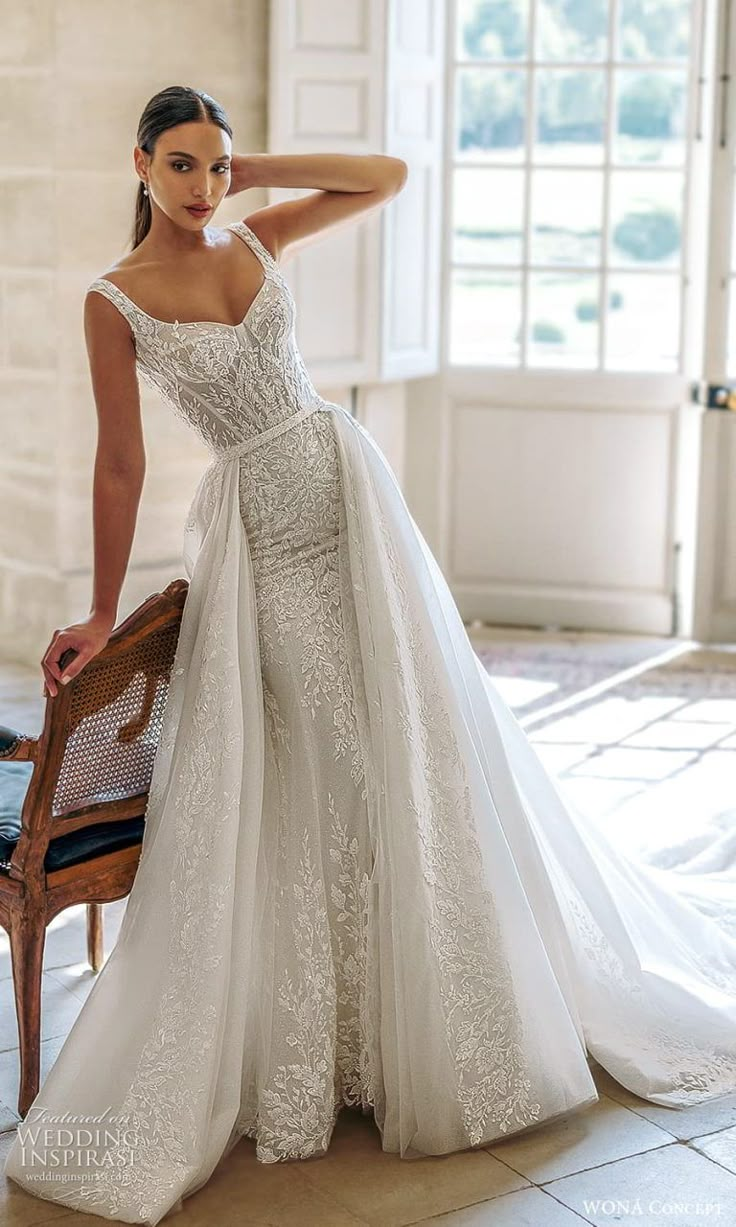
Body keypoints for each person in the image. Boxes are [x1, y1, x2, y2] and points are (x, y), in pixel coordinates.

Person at [4, 85, 736, 1226]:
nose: (201, 188)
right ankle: (334, 1035)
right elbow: (118, 466)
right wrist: (100, 612)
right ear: (138, 163)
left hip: (352, 498)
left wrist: (258, 173)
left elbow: (383, 176)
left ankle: (446, 1009)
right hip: (263, 538)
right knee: (327, 761)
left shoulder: (250, 228)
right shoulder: (115, 299)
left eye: (215, 166)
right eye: (182, 166)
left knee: (415, 733)